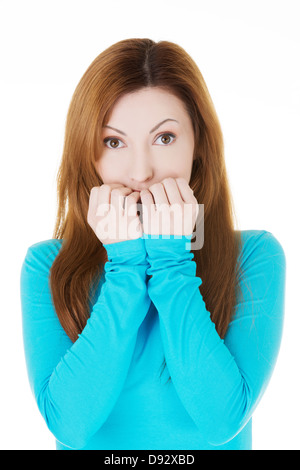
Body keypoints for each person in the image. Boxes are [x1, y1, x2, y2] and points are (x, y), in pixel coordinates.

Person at [20, 38, 286, 450]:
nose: (140, 172)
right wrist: (125, 269)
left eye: (164, 138)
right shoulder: (47, 265)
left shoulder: (253, 257)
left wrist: (171, 263)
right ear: (88, 155)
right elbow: (69, 425)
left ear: (198, 146)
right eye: (114, 142)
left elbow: (221, 421)